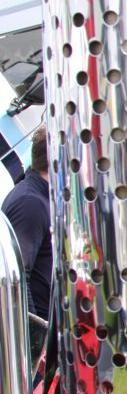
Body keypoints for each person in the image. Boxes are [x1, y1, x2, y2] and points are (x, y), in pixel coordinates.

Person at [2, 127, 52, 318]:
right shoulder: (30, 203)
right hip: (36, 337)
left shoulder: (41, 198)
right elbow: (17, 278)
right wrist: (36, 338)